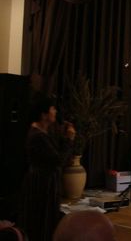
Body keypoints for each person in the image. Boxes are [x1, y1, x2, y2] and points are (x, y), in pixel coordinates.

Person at [18, 92, 76, 241]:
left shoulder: (43, 132)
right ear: (44, 114)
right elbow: (58, 160)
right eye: (52, 109)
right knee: (41, 222)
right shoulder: (38, 136)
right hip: (41, 184)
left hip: (45, 182)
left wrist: (64, 137)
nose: (55, 111)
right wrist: (69, 139)